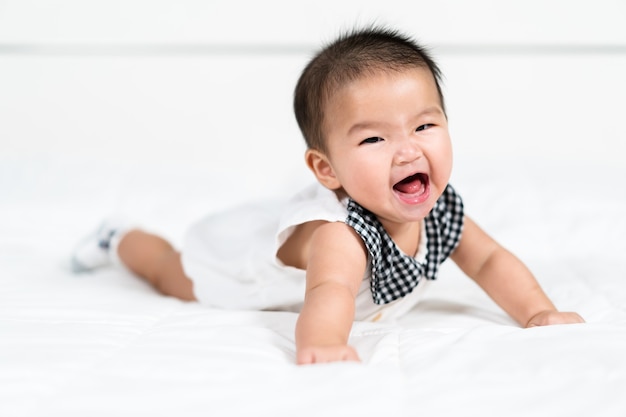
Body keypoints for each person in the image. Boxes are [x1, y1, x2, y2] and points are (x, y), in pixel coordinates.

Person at [71, 25, 585, 365]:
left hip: (287, 233)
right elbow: (330, 294)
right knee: (169, 271)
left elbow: (491, 260)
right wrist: (323, 344)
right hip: (239, 268)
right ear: (326, 168)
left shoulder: (441, 208)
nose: (406, 152)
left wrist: (538, 312)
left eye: (424, 125)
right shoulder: (341, 237)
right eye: (373, 138)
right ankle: (117, 237)